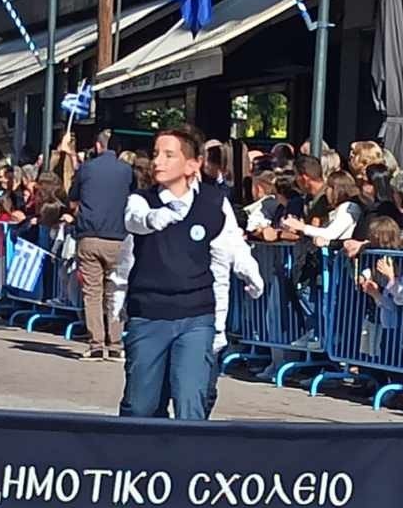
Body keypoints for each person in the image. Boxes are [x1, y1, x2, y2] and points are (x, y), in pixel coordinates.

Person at [111, 126, 262, 420]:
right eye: (156, 154)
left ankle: (188, 459)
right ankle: (138, 456)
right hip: (149, 314)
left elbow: (227, 250)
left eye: (169, 155)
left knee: (191, 399)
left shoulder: (214, 203)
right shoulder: (142, 200)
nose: (158, 162)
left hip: (196, 315)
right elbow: (134, 223)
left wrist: (250, 273)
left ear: (192, 165)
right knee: (141, 406)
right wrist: (156, 218)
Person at [67, 127, 131, 361]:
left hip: (90, 236)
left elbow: (72, 198)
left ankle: (96, 344)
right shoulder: (127, 171)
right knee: (116, 291)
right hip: (119, 237)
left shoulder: (87, 169)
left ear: (97, 146)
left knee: (92, 292)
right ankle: (115, 344)